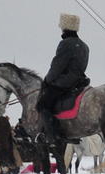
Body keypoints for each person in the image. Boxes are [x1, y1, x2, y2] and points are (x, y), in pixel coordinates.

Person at [37, 13, 90, 144]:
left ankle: (54, 135)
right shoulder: (84, 45)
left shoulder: (65, 43)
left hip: (65, 83)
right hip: (80, 82)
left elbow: (57, 65)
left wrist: (47, 80)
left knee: (42, 104)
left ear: (64, 28)